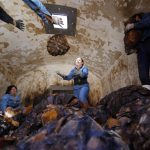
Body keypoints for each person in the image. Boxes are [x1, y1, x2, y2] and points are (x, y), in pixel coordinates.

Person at [125, 12, 150, 90]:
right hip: (141, 47)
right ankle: (147, 91)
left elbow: (148, 22)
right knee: (143, 73)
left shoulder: (147, 15)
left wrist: (134, 25)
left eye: (135, 19)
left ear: (137, 16)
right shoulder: (137, 29)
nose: (135, 21)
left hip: (148, 40)